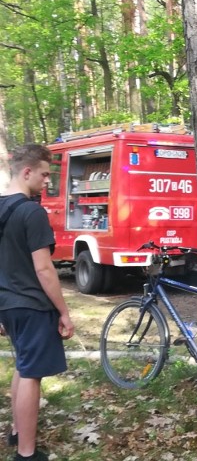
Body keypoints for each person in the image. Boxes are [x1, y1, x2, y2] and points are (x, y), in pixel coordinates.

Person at [0, 144, 74, 461]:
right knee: (32, 374)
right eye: (44, 174)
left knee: (23, 365)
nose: (47, 181)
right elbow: (44, 269)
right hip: (31, 304)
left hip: (7, 304)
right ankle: (27, 454)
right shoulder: (32, 212)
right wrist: (64, 312)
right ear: (26, 171)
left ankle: (17, 432)